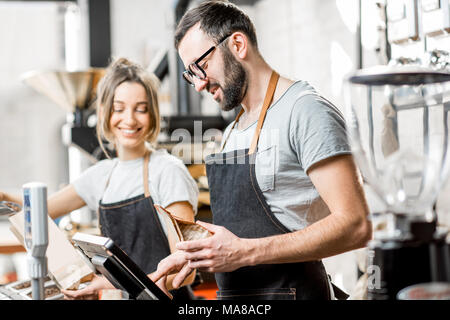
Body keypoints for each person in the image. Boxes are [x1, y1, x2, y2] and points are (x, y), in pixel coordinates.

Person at [150, 0, 372, 300]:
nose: (200, 85)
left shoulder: (305, 110)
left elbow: (356, 225)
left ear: (238, 44)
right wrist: (196, 257)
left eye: (201, 67)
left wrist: (245, 252)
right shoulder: (231, 133)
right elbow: (236, 240)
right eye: (191, 75)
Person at [0, 58, 199, 300]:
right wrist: (4, 197)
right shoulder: (103, 175)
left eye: (141, 108)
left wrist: (112, 284)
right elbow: (42, 208)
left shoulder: (167, 171)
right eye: (119, 108)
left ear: (153, 114)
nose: (130, 119)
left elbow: (185, 272)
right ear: (105, 113)